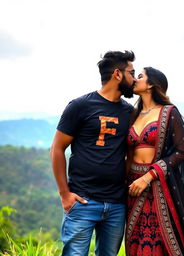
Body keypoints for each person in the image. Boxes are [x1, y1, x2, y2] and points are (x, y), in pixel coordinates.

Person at [50, 50, 136, 256]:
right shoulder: (81, 106)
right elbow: (57, 149)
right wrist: (65, 195)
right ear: (117, 74)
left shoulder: (129, 112)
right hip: (82, 201)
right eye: (131, 73)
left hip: (116, 204)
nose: (134, 79)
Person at [125, 67, 184, 256]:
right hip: (133, 186)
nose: (135, 80)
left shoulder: (169, 112)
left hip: (158, 187)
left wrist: (149, 176)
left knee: (157, 244)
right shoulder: (132, 114)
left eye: (140, 77)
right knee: (136, 242)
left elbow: (181, 152)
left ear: (151, 85)